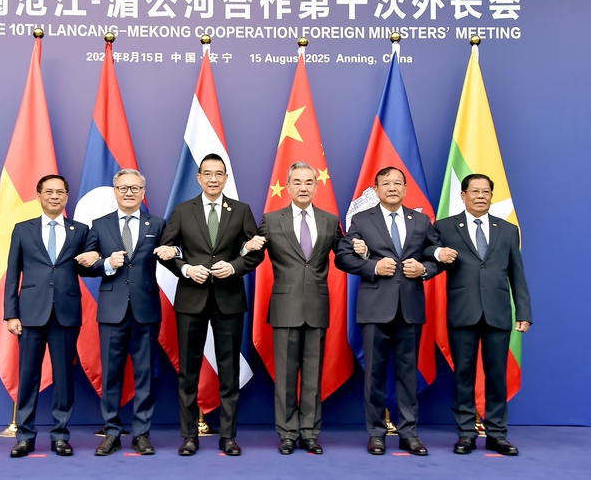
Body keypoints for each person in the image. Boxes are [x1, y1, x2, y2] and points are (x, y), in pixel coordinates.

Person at [159, 153, 263, 457]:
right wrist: (185, 269)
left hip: (229, 300)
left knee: (229, 371)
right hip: (191, 299)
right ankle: (189, 436)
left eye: (219, 174)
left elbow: (256, 251)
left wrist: (234, 267)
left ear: (226, 178)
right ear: (199, 178)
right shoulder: (182, 211)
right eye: (208, 173)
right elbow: (165, 250)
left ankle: (228, 437)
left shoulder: (241, 210)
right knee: (188, 371)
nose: (213, 179)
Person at [335, 166, 441, 457]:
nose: (392, 188)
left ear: (406, 189)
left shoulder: (421, 220)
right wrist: (372, 267)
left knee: (408, 374)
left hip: (410, 309)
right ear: (376, 189)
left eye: (397, 183)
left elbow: (437, 255)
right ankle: (376, 433)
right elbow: (342, 257)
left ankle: (409, 433)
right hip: (374, 309)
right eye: (386, 183)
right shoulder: (361, 219)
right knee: (375, 374)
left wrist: (424, 269)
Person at [428, 173, 532, 456]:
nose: (481, 196)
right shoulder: (445, 227)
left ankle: (497, 434)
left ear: (491, 196)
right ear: (463, 195)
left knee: (496, 376)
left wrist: (523, 311)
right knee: (463, 375)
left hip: (498, 313)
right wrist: (437, 253)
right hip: (463, 312)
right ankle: (466, 433)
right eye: (475, 191)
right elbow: (428, 250)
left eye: (486, 192)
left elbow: (517, 274)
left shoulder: (507, 230)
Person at [245, 162, 343, 455]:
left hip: (317, 306)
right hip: (285, 307)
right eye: (297, 182)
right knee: (286, 376)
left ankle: (310, 433)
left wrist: (365, 255)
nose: (303, 187)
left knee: (313, 376)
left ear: (316, 186)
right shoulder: (271, 219)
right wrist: (245, 248)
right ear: (287, 187)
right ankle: (287, 433)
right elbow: (253, 255)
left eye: (308, 182)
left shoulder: (330, 220)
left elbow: (345, 256)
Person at [81, 169, 178, 457]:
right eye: (123, 187)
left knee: (145, 374)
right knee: (111, 374)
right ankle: (111, 432)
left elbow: (170, 255)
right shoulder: (100, 225)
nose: (129, 193)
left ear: (143, 193)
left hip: (146, 310)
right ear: (115, 191)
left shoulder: (157, 224)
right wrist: (106, 264)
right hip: (111, 311)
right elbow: (86, 265)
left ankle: (142, 434)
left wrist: (177, 253)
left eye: (135, 188)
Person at [4, 174, 98, 458]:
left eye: (60, 192)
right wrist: (11, 314)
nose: (54, 196)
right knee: (28, 377)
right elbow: (12, 274)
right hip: (30, 315)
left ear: (67, 197)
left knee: (64, 378)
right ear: (39, 196)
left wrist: (100, 260)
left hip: (66, 314)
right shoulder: (23, 229)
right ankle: (24, 436)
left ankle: (60, 436)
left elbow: (87, 268)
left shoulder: (81, 230)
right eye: (49, 192)